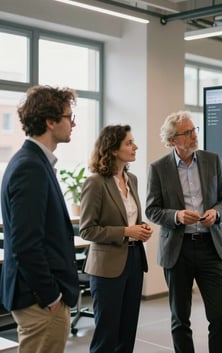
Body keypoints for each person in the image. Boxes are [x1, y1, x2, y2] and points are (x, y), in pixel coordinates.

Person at [145, 110, 222, 353]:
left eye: (195, 130)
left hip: (209, 247)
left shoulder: (212, 160)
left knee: (219, 317)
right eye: (188, 132)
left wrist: (217, 213)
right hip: (178, 249)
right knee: (180, 319)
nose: (195, 135)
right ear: (173, 140)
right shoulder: (159, 168)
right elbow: (151, 210)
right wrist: (177, 216)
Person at [0, 86, 80, 353]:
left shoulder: (36, 162)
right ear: (50, 121)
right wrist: (51, 296)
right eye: (69, 116)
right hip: (40, 302)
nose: (73, 123)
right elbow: (26, 244)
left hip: (41, 299)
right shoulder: (30, 167)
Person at [79, 124, 152, 353]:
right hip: (107, 266)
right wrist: (125, 232)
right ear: (112, 149)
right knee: (107, 334)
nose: (135, 146)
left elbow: (132, 219)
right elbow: (87, 230)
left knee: (127, 331)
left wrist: (141, 228)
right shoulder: (96, 182)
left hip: (134, 260)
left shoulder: (132, 179)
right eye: (129, 143)